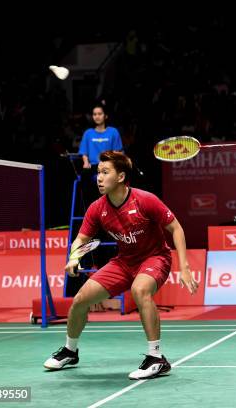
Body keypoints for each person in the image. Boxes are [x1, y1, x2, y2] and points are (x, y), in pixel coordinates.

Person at [44, 150, 199, 379]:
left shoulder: (145, 200)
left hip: (155, 258)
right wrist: (74, 257)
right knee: (80, 299)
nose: (99, 177)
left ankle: (156, 358)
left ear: (120, 177)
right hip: (124, 262)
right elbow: (82, 238)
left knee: (140, 290)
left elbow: (176, 228)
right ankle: (70, 350)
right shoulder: (97, 208)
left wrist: (184, 267)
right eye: (98, 172)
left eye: (105, 172)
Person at [78, 104, 123, 205]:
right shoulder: (88, 133)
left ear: (105, 116)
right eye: (94, 114)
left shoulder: (113, 132)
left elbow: (118, 152)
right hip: (94, 167)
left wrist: (111, 162)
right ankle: (90, 210)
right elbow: (84, 153)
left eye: (100, 114)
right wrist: (85, 162)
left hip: (109, 166)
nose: (97, 116)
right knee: (85, 176)